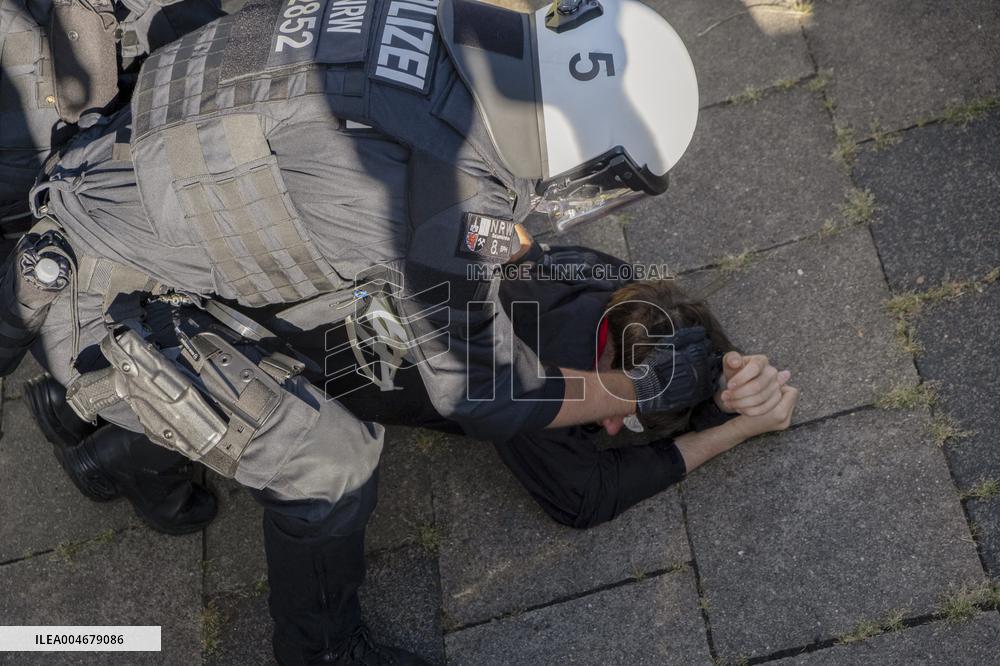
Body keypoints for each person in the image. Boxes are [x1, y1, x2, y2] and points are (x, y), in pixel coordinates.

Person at [1, 0, 727, 662]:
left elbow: (436, 214)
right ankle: (323, 651)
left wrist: (518, 258)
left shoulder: (440, 23)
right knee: (329, 459)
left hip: (125, 176)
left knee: (354, 340)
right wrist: (638, 388)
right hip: (103, 295)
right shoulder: (447, 208)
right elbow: (489, 397)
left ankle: (113, 441)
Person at [1, 0, 228, 533]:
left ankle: (75, 409)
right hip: (52, 245)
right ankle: (129, 458)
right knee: (232, 362)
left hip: (108, 156)